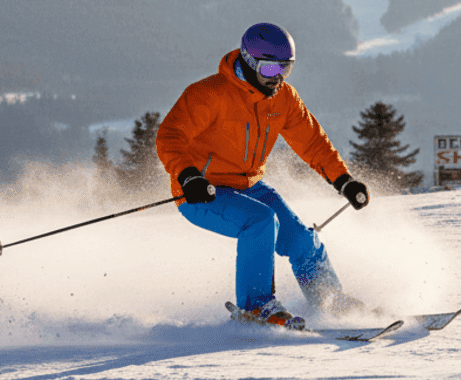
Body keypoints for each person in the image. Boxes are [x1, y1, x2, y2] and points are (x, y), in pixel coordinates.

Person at [156, 22, 370, 328]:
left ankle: (330, 301)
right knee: (259, 220)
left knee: (299, 237)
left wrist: (343, 180)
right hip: (201, 191)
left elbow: (311, 141)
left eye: (286, 69)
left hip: (249, 185)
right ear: (249, 61)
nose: (278, 78)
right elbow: (170, 135)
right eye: (271, 70)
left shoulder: (284, 98)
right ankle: (256, 308)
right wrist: (188, 175)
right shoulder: (209, 94)